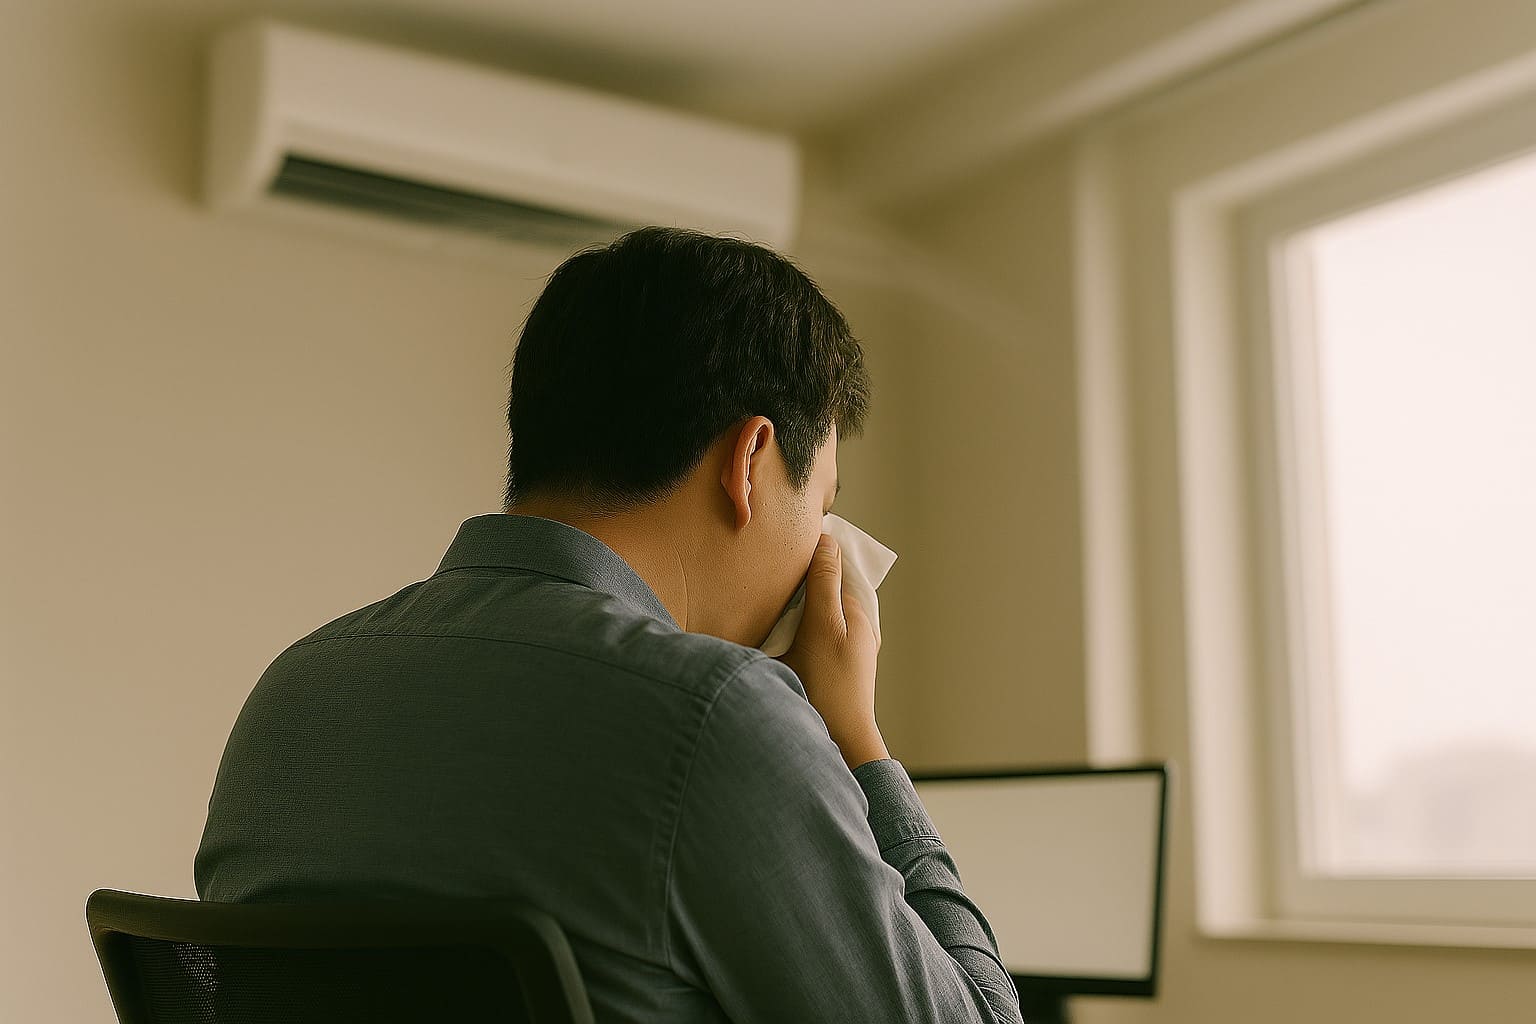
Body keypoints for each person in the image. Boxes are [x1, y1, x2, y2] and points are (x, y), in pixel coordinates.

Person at [195, 225, 1024, 1023]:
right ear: (750, 462)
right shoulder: (719, 719)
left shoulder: (285, 702)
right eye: (823, 504)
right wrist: (856, 739)